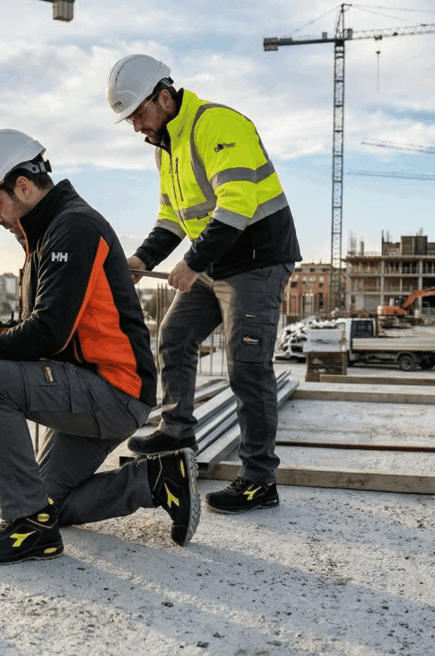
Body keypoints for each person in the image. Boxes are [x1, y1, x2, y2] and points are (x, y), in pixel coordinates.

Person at [0, 128, 200, 565]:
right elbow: (42, 325)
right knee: (47, 504)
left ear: (22, 186)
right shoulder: (46, 233)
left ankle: (25, 529)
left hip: (112, 390)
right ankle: (157, 479)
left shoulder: (72, 228)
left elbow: (50, 333)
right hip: (97, 385)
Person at [106, 54, 302, 514]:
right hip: (218, 262)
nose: (136, 127)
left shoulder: (217, 124)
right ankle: (177, 429)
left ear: (165, 97)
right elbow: (173, 217)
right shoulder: (165, 149)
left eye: (138, 114)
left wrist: (193, 263)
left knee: (247, 367)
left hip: (257, 259)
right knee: (174, 336)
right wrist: (140, 260)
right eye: (130, 119)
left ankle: (259, 480)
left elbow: (235, 204)